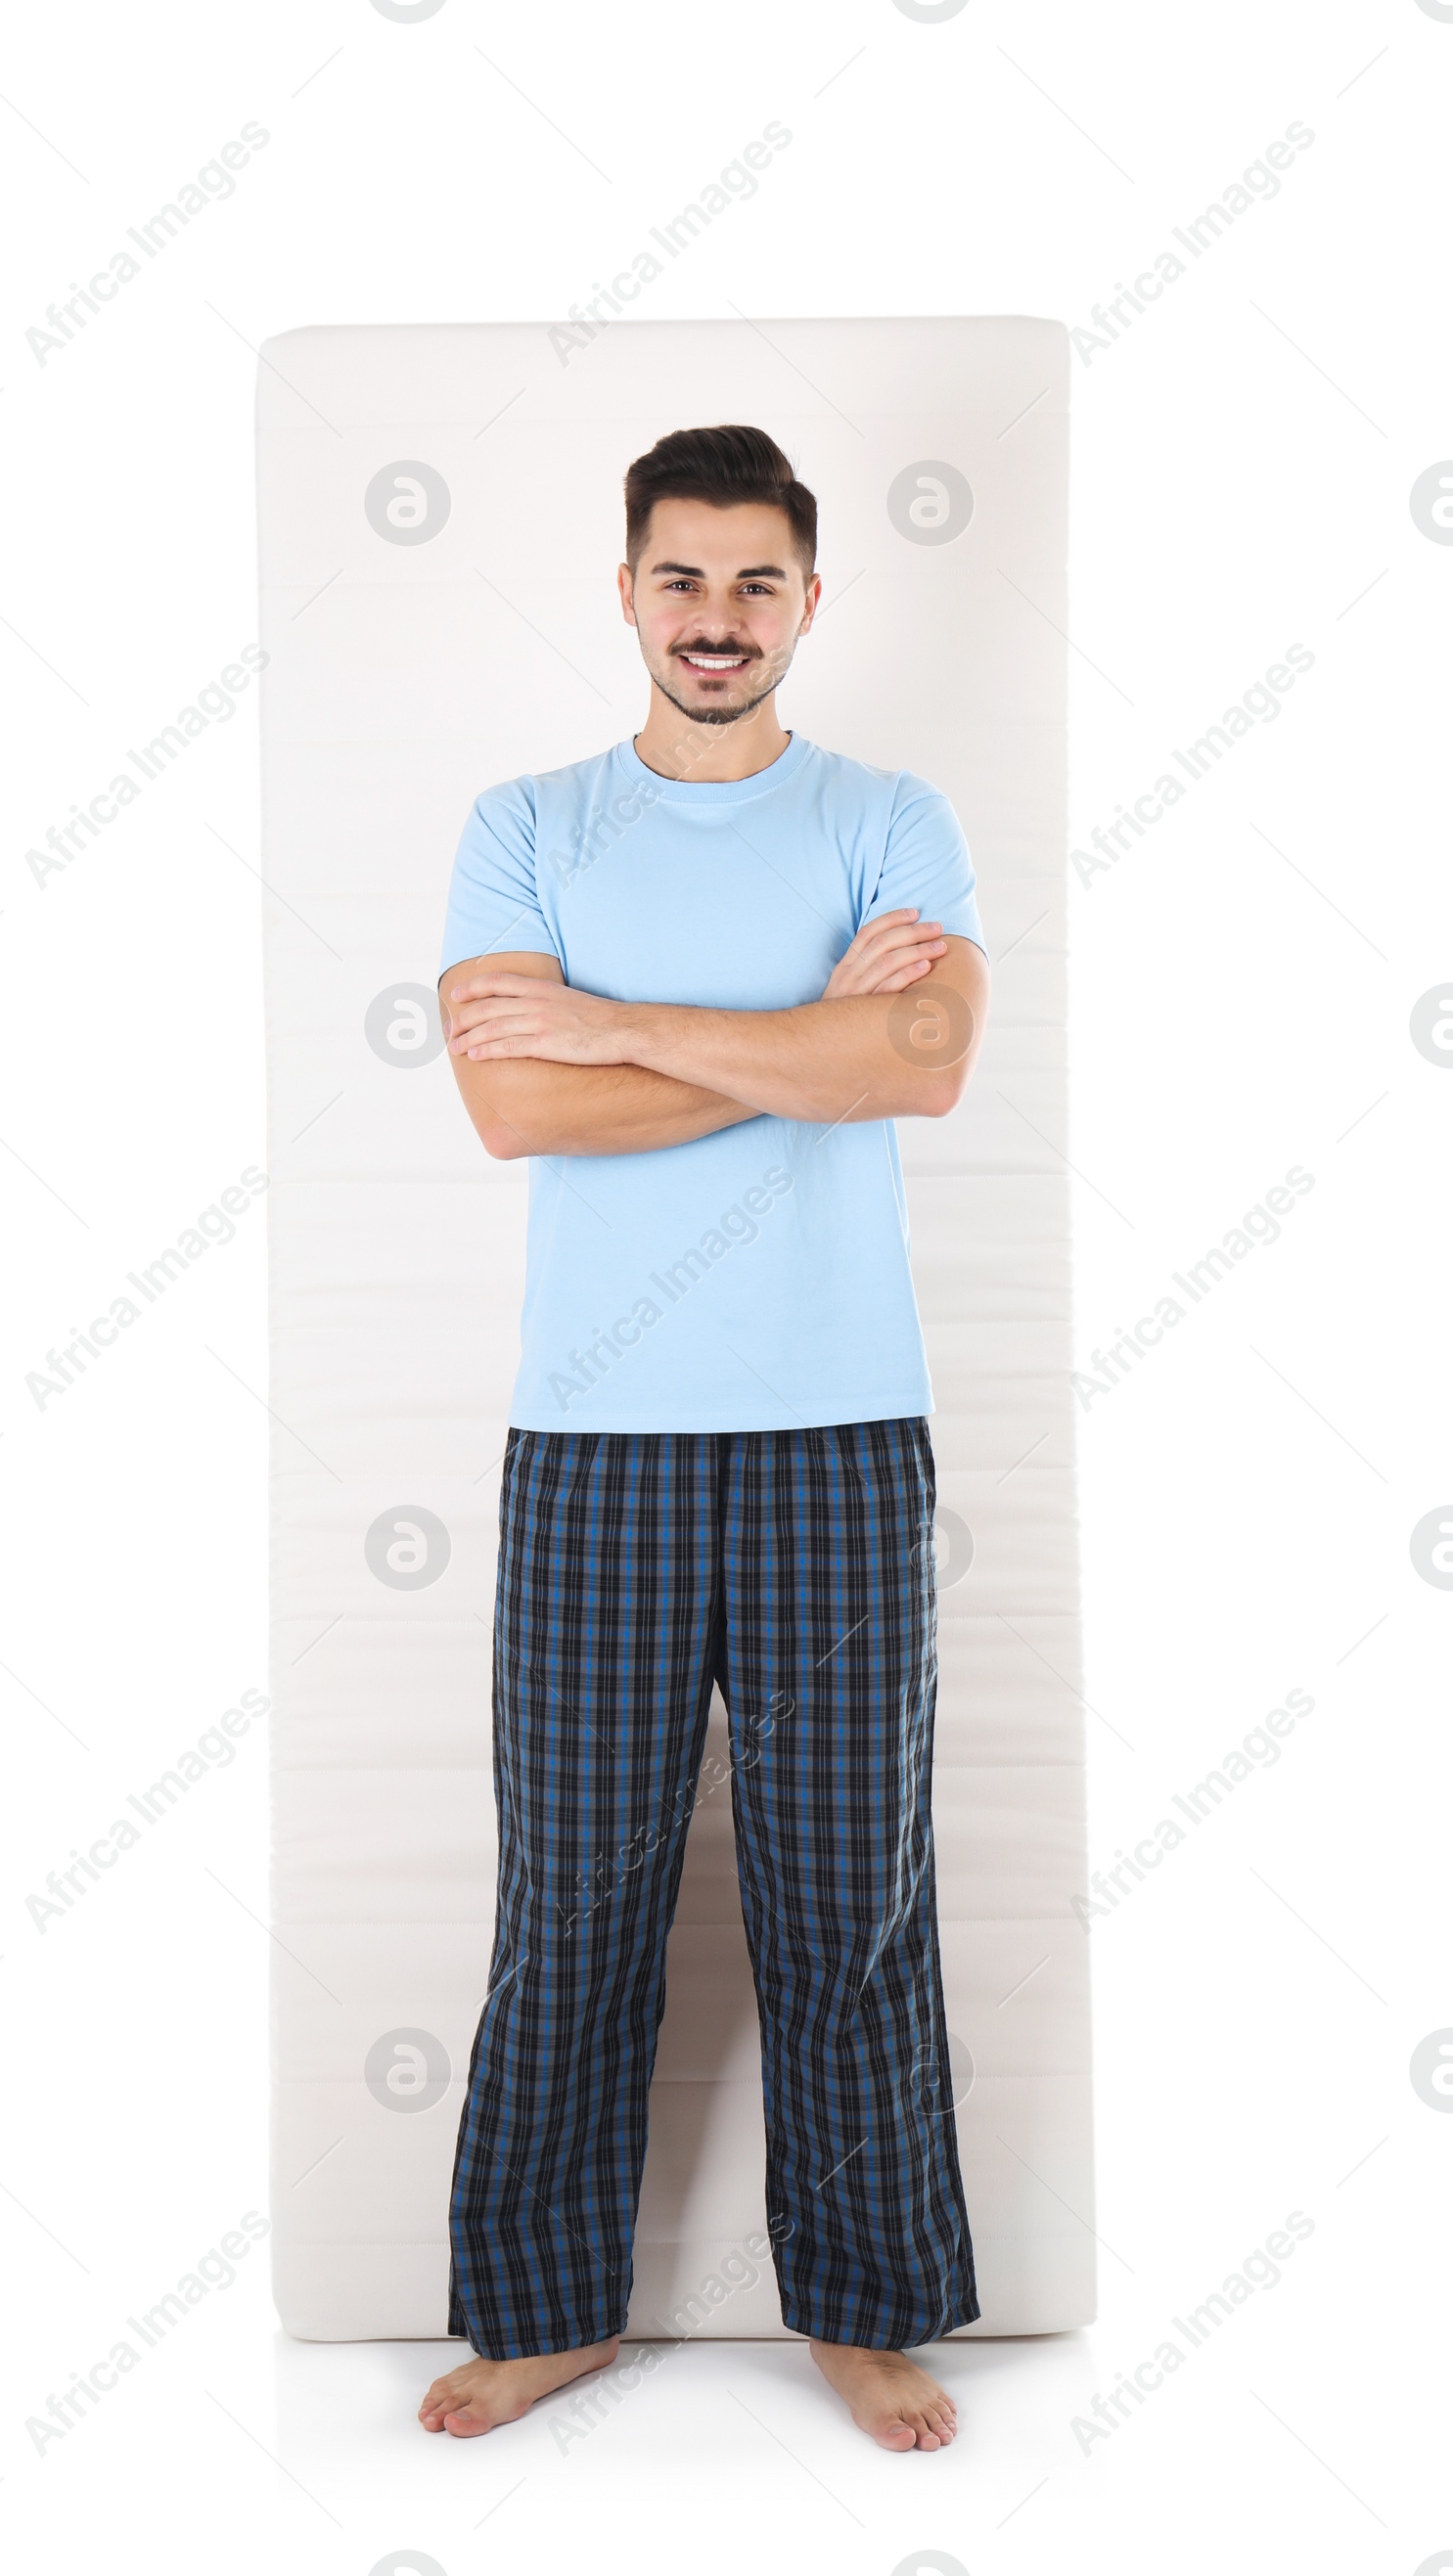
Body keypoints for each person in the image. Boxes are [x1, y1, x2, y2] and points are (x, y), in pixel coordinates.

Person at [421, 423, 990, 2455]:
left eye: (757, 583)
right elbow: (513, 1111)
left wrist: (626, 1019)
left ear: (808, 602)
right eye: (683, 580)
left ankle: (863, 2308)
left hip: (841, 1428)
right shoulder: (526, 823)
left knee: (846, 1893)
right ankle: (543, 2305)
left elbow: (916, 1059)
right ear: (628, 593)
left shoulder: (889, 814)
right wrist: (789, 1037)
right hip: (594, 1436)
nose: (718, 618)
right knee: (575, 1888)